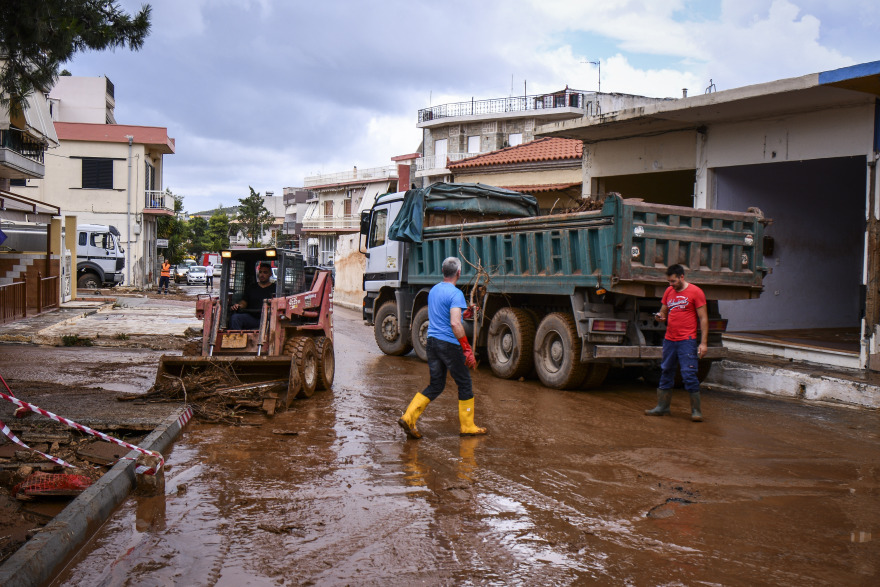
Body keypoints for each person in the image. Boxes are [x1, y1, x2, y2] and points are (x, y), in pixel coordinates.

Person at [398, 256, 488, 439]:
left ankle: (409, 417)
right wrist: (467, 348)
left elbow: (444, 314)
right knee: (464, 382)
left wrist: (464, 313)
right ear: (459, 273)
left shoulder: (434, 291)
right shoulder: (456, 294)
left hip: (432, 343)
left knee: (436, 384)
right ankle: (467, 426)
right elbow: (455, 323)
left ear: (442, 271)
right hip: (449, 344)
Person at [645, 264, 709, 422]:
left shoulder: (696, 292)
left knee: (688, 373)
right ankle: (662, 407)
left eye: (673, 281)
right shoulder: (669, 291)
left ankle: (696, 411)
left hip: (687, 340)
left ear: (682, 277)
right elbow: (664, 312)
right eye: (669, 281)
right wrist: (659, 316)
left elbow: (703, 318)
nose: (671, 284)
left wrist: (703, 343)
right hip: (669, 339)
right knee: (666, 370)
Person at [229, 262, 275, 330]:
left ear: (270, 274)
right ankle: (237, 336)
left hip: (269, 319)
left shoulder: (275, 288)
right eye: (260, 272)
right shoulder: (252, 287)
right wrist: (239, 305)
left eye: (265, 272)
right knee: (235, 318)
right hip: (252, 318)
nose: (262, 275)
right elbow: (244, 302)